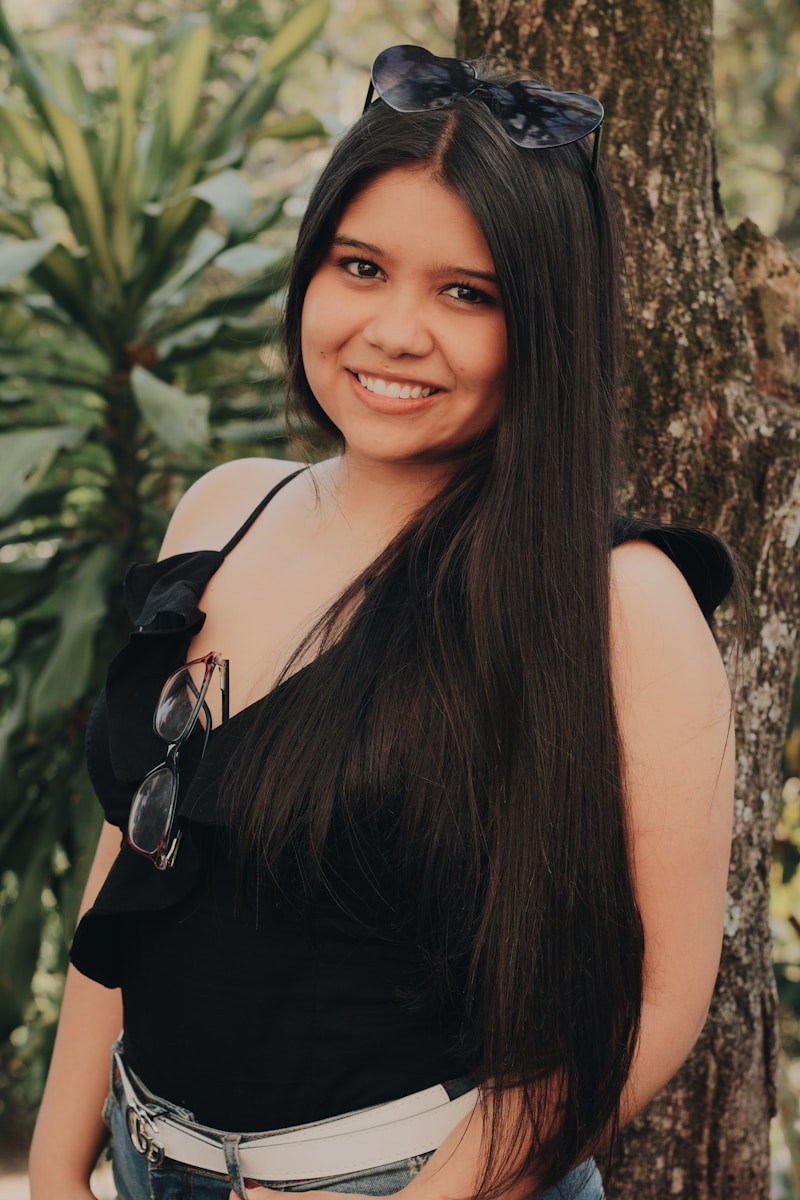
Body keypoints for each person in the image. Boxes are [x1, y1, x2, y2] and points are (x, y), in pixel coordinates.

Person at [29, 44, 736, 1200]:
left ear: (545, 324)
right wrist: (59, 1172)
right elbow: (135, 865)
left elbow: (649, 998)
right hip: (146, 1157)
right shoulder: (222, 511)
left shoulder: (614, 601)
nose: (394, 330)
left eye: (468, 293)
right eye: (360, 266)